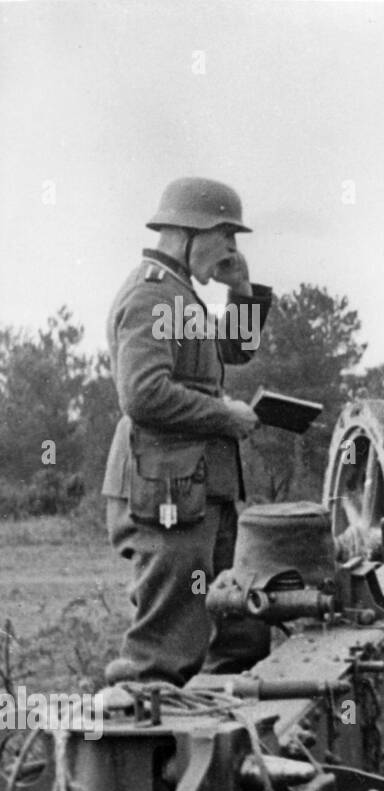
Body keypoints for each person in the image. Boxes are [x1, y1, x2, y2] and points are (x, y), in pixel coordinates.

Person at [101, 177, 273, 686]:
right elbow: (143, 394)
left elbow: (233, 351)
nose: (231, 250)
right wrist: (227, 416)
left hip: (199, 488)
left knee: (233, 626)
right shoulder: (152, 295)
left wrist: (240, 290)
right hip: (165, 489)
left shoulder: (180, 294)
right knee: (165, 644)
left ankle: (227, 741)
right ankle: (130, 749)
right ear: (189, 231)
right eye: (227, 235)